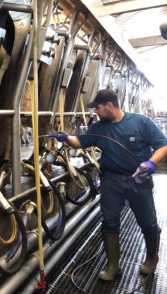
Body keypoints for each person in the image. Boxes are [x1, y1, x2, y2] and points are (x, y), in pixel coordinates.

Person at [54, 89, 167, 281]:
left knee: (148, 221)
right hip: (111, 180)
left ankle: (151, 259)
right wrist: (66, 138)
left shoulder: (140, 122)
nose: (96, 111)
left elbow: (163, 144)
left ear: (109, 105)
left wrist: (151, 163)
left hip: (138, 179)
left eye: (97, 107)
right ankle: (113, 265)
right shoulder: (99, 127)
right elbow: (80, 142)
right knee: (109, 221)